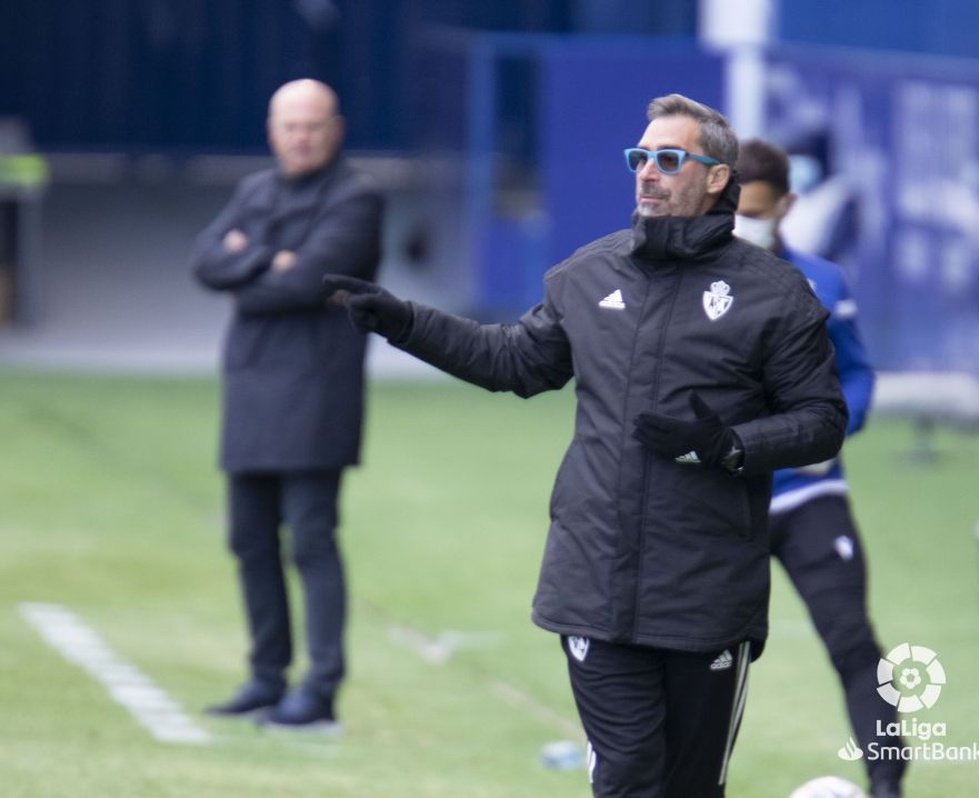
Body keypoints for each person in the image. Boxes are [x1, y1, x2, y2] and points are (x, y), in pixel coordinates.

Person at [326, 95, 847, 797]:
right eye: (641, 159)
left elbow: (820, 420)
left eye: (669, 159)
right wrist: (404, 321)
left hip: (706, 594)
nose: (648, 174)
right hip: (595, 582)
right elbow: (513, 361)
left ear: (717, 177)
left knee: (689, 787)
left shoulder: (776, 296)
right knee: (628, 776)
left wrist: (726, 445)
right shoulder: (589, 274)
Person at [191, 79, 383, 730]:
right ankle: (266, 677)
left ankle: (320, 687)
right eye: (289, 125)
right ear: (272, 130)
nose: (301, 136)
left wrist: (254, 262)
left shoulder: (357, 199)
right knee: (248, 540)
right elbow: (206, 261)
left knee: (311, 540)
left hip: (316, 393)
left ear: (337, 127)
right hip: (250, 390)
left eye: (312, 125)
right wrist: (273, 263)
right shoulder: (254, 191)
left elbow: (311, 281)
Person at [734, 137, 905, 798]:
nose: (744, 223)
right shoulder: (696, 285)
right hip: (723, 505)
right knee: (699, 655)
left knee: (853, 641)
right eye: (734, 211)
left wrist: (836, 427)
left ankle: (887, 786)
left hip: (809, 495)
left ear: (787, 205)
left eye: (757, 210)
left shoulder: (823, 282)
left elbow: (857, 377)